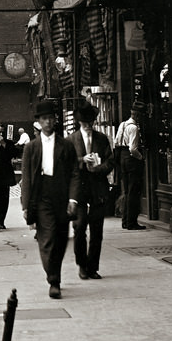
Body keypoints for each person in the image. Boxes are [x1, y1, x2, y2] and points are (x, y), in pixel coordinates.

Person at [20, 99, 80, 299]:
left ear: (55, 120)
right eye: (44, 119)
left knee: (61, 238)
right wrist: (25, 204)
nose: (47, 122)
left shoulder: (66, 145)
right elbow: (26, 177)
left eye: (50, 118)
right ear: (38, 122)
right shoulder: (31, 147)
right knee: (48, 238)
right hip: (42, 195)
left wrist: (73, 199)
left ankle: (55, 272)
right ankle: (54, 280)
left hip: (61, 194)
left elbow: (74, 174)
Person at [68, 102, 114, 280]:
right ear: (79, 122)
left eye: (90, 122)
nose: (87, 126)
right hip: (78, 190)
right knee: (79, 228)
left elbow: (111, 162)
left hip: (97, 189)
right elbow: (65, 164)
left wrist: (98, 168)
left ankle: (92, 267)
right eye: (84, 122)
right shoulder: (71, 140)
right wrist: (81, 160)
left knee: (97, 231)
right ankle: (81, 264)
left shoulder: (102, 139)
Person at [115, 101, 147, 229]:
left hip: (122, 158)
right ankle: (131, 222)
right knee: (133, 191)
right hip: (131, 160)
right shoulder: (133, 128)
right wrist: (141, 157)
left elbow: (117, 141)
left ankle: (125, 220)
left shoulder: (123, 125)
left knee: (127, 191)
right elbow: (133, 148)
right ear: (138, 115)